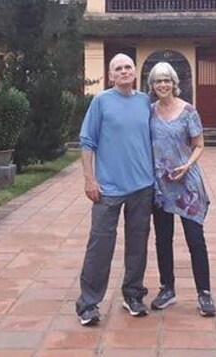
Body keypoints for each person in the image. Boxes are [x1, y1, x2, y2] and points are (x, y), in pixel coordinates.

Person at [75, 53, 155, 326]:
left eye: (128, 67)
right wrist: (89, 179)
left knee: (138, 244)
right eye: (118, 68)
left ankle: (133, 294)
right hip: (107, 188)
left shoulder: (145, 102)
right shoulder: (101, 101)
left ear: (135, 73)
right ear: (111, 76)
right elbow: (87, 142)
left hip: (142, 186)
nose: (124, 71)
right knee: (100, 244)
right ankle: (88, 303)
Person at [147, 61, 216, 317]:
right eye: (158, 81)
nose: (163, 84)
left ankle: (204, 293)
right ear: (152, 86)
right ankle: (167, 288)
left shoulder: (188, 111)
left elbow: (199, 144)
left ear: (174, 83)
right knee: (163, 239)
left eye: (167, 80)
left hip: (187, 184)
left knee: (195, 240)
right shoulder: (149, 111)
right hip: (161, 185)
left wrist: (187, 166)